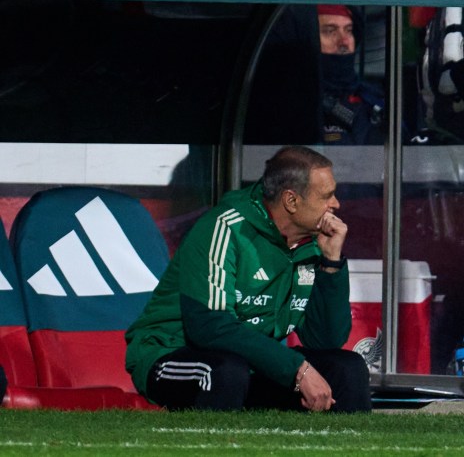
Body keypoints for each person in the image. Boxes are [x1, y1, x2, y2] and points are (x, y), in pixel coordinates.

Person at [125, 145, 371, 412]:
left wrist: (331, 264)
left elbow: (326, 341)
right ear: (291, 201)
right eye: (327, 196)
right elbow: (209, 327)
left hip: (248, 362)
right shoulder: (225, 227)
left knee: (347, 368)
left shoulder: (311, 245)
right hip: (171, 353)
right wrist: (296, 368)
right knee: (227, 372)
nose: (336, 204)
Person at [318, 4, 386, 145]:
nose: (344, 41)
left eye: (349, 30)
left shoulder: (374, 99)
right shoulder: (294, 103)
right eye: (330, 31)